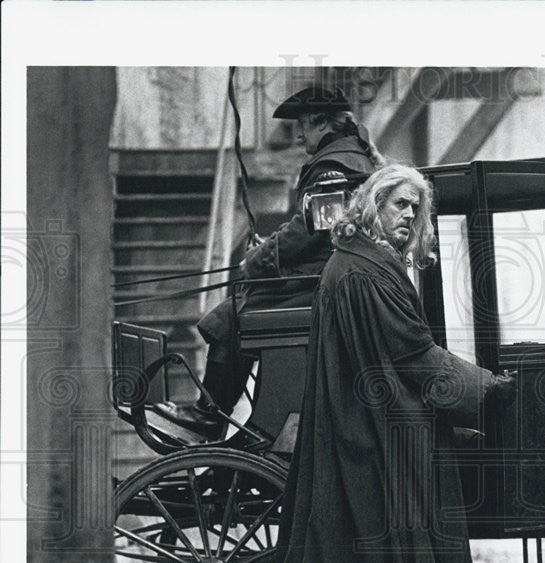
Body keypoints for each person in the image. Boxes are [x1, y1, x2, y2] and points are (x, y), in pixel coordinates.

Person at [253, 164, 516, 563]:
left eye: (417, 208)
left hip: (368, 418)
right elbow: (412, 353)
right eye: (401, 205)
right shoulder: (363, 272)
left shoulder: (362, 263)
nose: (411, 215)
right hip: (372, 428)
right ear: (373, 205)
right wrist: (485, 388)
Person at [155, 85, 382, 437]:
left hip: (322, 287)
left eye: (302, 127)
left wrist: (258, 259)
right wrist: (272, 248)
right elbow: (315, 225)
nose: (300, 135)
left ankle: (211, 414)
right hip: (332, 280)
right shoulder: (352, 158)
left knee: (233, 315)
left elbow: (311, 230)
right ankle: (216, 413)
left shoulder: (334, 167)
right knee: (239, 308)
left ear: (321, 123)